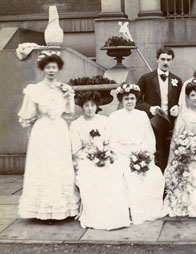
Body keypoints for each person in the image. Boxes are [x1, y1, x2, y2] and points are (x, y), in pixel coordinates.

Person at [17, 51, 79, 220]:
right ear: (43, 69)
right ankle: (41, 209)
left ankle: (62, 208)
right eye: (48, 67)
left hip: (59, 131)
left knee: (59, 166)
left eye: (54, 67)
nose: (51, 70)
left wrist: (68, 98)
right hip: (42, 132)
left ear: (58, 69)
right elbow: (27, 115)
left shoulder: (65, 89)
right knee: (44, 166)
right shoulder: (34, 90)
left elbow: (68, 113)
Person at [70, 91, 130, 230]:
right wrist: (91, 158)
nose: (90, 108)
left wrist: (106, 154)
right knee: (93, 176)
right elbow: (76, 150)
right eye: (87, 105)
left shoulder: (105, 121)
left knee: (113, 173)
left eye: (93, 105)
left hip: (104, 156)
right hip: (86, 159)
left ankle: (115, 215)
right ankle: (95, 216)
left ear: (97, 106)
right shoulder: (76, 124)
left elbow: (110, 142)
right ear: (82, 107)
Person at [109, 83, 165, 225]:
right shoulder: (114, 117)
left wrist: (145, 155)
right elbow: (112, 141)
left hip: (141, 153)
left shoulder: (142, 115)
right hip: (123, 154)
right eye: (126, 99)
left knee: (154, 175)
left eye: (132, 99)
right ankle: (132, 211)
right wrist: (128, 155)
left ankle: (149, 209)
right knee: (129, 176)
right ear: (122, 100)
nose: (129, 102)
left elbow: (149, 138)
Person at [164, 78, 196, 219]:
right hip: (186, 149)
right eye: (192, 95)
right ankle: (183, 205)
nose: (195, 98)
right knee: (183, 169)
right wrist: (182, 150)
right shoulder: (184, 113)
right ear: (187, 97)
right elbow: (177, 136)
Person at [136, 47, 183, 171]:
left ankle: (169, 185)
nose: (165, 62)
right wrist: (150, 108)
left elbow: (182, 101)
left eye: (168, 59)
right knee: (156, 155)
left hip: (171, 125)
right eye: (162, 59)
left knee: (171, 155)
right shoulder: (146, 78)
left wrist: (178, 108)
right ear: (157, 60)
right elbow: (136, 100)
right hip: (152, 124)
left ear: (172, 61)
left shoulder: (177, 80)